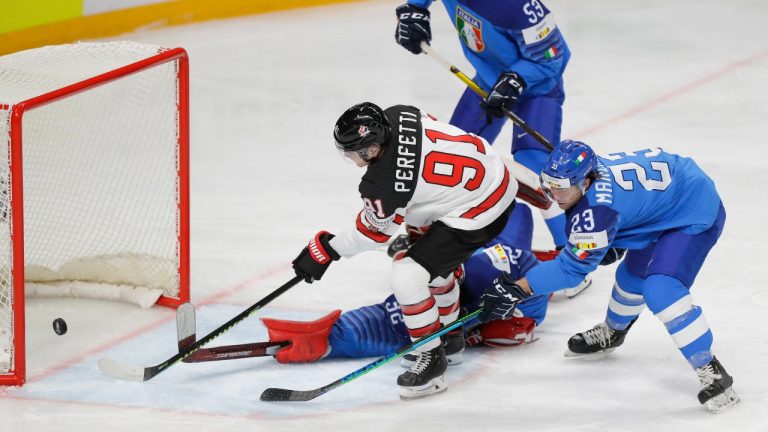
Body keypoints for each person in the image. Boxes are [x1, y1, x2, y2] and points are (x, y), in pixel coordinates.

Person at [477, 140, 740, 412]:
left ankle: (712, 370)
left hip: (692, 211)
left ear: (587, 182)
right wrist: (616, 237)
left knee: (661, 289)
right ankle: (614, 332)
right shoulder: (587, 179)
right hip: (665, 202)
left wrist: (518, 287)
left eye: (562, 190)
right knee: (631, 278)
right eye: (550, 186)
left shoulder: (597, 211)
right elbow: (632, 200)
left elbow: (571, 271)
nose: (555, 197)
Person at [291, 101, 517, 400]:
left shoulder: (383, 183)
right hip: (494, 179)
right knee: (434, 268)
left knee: (407, 275)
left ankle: (430, 357)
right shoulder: (400, 114)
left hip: (479, 211)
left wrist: (326, 249)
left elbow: (372, 234)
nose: (350, 157)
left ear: (371, 148)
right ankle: (449, 338)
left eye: (353, 152)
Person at [264, 204, 549, 367]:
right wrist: (330, 336)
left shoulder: (482, 278)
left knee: (517, 210)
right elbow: (387, 316)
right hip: (486, 251)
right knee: (515, 212)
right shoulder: (465, 264)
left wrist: (482, 331)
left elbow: (390, 325)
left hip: (506, 275)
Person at [394, 0, 571, 249]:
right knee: (451, 155)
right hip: (488, 81)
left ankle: (571, 247)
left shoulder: (520, 7)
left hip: (538, 89)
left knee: (534, 162)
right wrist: (415, 9)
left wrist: (517, 80)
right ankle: (434, 234)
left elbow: (552, 57)